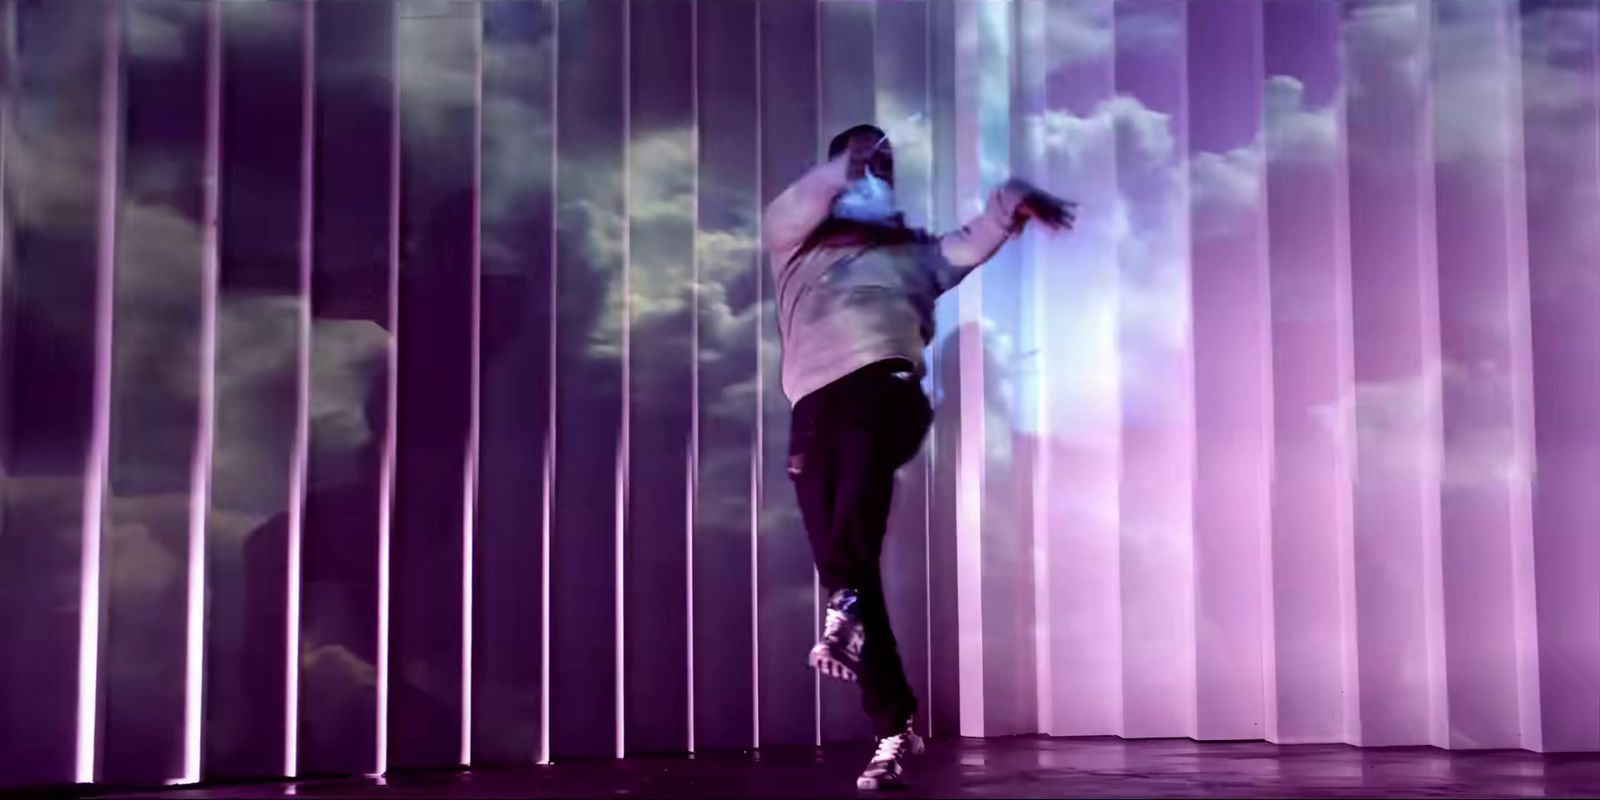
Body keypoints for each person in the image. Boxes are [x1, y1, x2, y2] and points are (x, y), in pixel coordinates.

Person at [762, 123, 1074, 790]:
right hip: (813, 414)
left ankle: (846, 609)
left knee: (850, 540)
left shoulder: (912, 255)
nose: (874, 180)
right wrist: (849, 162)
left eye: (882, 170)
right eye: (861, 171)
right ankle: (894, 725)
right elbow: (793, 204)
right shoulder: (794, 245)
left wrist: (1011, 201)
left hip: (886, 393)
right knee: (848, 578)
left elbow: (972, 242)